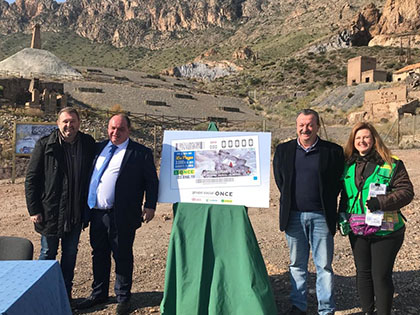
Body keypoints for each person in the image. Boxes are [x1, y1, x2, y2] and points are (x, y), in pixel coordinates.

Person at [77, 114, 159, 315]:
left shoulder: (140, 153)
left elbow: (151, 181)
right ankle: (99, 293)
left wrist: (149, 205)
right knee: (99, 254)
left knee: (122, 255)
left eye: (120, 129)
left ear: (128, 130)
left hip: (122, 214)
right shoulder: (99, 148)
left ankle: (123, 297)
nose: (115, 132)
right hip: (97, 213)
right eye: (112, 128)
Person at [273, 109, 344, 315]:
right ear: (296, 127)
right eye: (301, 125)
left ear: (318, 127)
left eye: (310, 125)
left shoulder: (333, 151)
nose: (305, 129)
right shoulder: (283, 150)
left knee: (324, 266)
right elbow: (281, 181)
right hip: (293, 216)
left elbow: (337, 182)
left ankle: (326, 308)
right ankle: (299, 307)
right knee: (297, 264)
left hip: (322, 216)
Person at [339, 122, 414, 315]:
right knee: (363, 274)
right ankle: (367, 311)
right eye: (358, 138)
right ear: (353, 142)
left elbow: (406, 192)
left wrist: (381, 202)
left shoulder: (391, 163)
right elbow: (346, 195)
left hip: (386, 230)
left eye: (366, 137)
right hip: (358, 229)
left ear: (374, 140)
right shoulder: (348, 165)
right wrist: (341, 216)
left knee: (380, 275)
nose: (362, 141)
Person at [25, 107, 95, 299]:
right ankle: (38, 296)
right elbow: (32, 179)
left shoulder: (88, 144)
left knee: (70, 255)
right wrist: (34, 209)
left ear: (79, 123)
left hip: (75, 213)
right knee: (47, 253)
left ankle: (64, 297)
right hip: (51, 212)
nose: (69, 125)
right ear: (58, 124)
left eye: (72, 121)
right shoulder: (45, 144)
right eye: (65, 121)